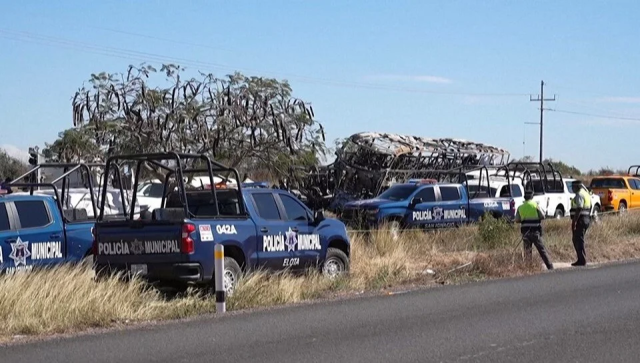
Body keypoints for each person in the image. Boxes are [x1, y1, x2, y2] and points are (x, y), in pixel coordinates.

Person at [515, 190, 554, 270]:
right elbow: (542, 216)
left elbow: (517, 220)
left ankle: (529, 268)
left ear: (524, 197)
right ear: (532, 197)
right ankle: (550, 266)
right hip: (535, 232)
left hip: (525, 233)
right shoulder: (535, 205)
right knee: (542, 250)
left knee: (527, 251)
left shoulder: (520, 207)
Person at [570, 180, 591, 266]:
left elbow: (579, 208)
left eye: (573, 187)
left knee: (578, 239)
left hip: (580, 220)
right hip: (586, 219)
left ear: (577, 187)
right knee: (578, 239)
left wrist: (574, 221)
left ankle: (582, 260)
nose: (572, 188)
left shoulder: (579, 194)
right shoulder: (586, 193)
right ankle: (581, 259)